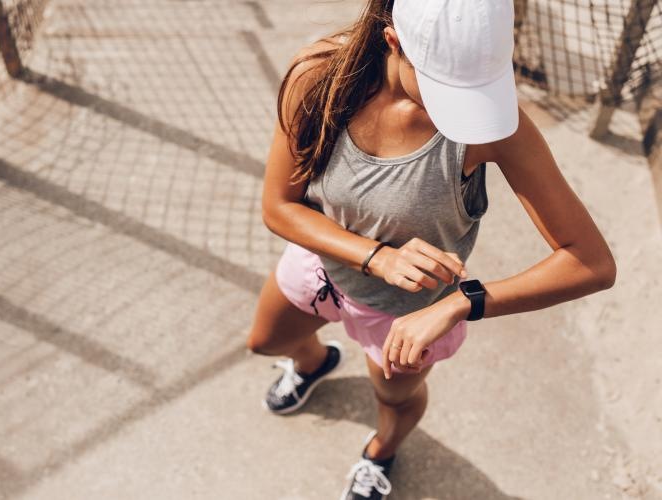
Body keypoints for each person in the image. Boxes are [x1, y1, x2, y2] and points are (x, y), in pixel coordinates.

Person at [245, 0, 617, 498]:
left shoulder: (494, 127)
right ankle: (314, 362)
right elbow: (279, 207)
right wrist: (377, 257)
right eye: (449, 89)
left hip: (406, 318)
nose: (472, 114)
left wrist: (463, 302)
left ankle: (380, 453)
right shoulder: (317, 78)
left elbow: (590, 262)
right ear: (393, 41)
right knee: (265, 342)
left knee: (394, 400)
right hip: (323, 267)